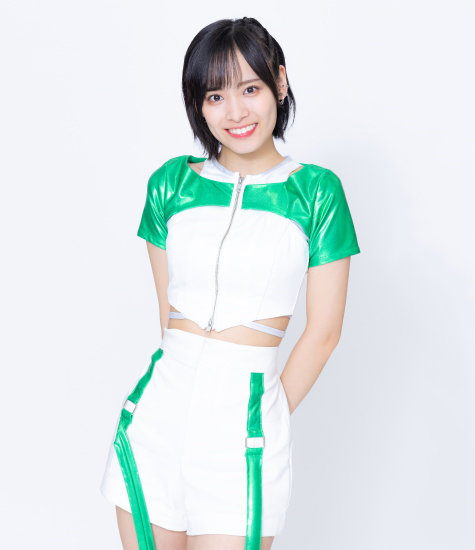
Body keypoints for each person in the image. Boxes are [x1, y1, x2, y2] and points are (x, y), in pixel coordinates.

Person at [99, 16, 361, 550]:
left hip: (244, 432)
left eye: (250, 89)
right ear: (198, 104)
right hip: (157, 420)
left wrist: (266, 409)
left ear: (279, 83)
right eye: (215, 96)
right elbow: (168, 312)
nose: (235, 112)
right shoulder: (171, 185)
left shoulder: (316, 192)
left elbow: (324, 332)